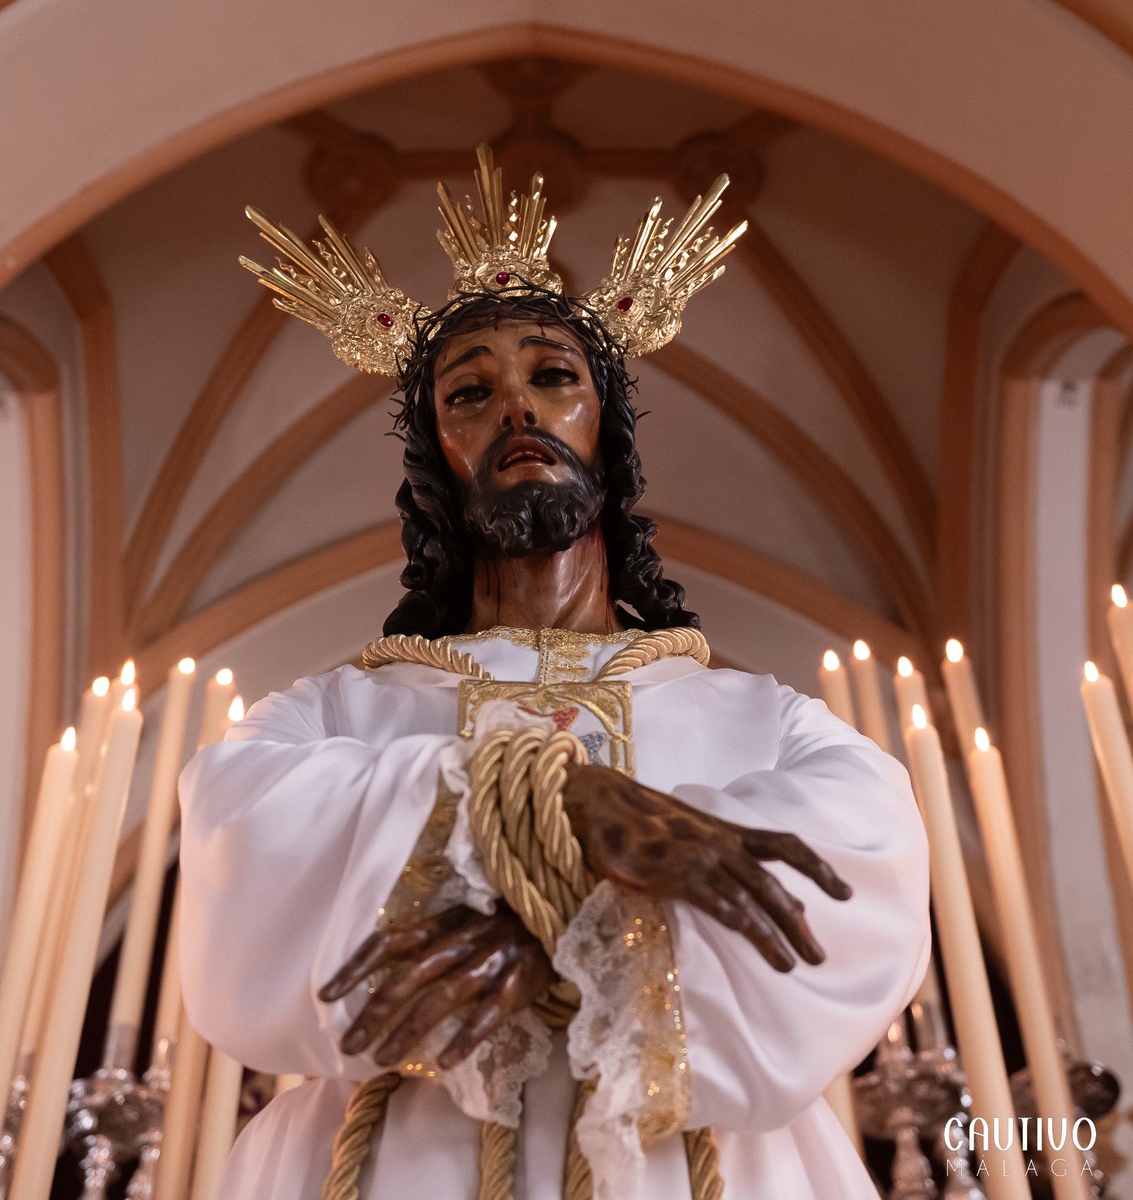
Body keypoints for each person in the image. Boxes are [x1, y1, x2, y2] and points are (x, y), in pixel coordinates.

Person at [179, 149, 930, 1199]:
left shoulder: (763, 718)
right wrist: (564, 801)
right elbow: (240, 835)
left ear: (605, 428)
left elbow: (861, 859)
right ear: (437, 448)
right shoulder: (338, 709)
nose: (516, 412)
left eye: (553, 377)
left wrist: (558, 947)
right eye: (471, 392)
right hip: (396, 1150)